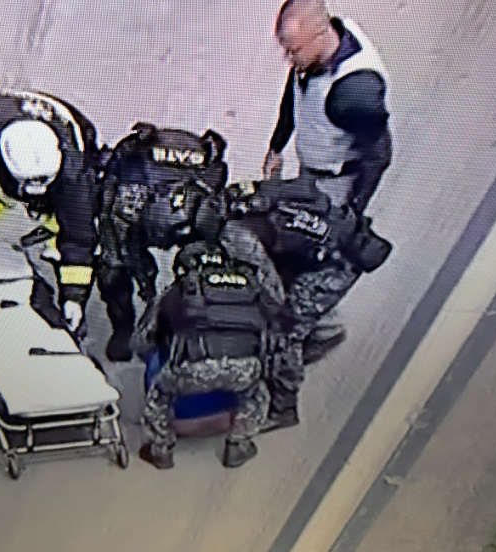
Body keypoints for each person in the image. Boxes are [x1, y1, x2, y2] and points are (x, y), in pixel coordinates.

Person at [223, 177, 392, 431]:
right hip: (303, 255)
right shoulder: (286, 199)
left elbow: (278, 289)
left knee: (286, 332)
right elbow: (301, 188)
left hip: (331, 268)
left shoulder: (250, 233)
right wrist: (254, 188)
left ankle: (284, 408)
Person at [0, 90, 107, 337]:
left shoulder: (73, 173)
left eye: (43, 182)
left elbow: (79, 237)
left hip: (65, 132)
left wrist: (73, 298)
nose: (37, 190)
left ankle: (51, 231)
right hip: (1, 135)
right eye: (30, 184)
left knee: (74, 211)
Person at [132, 241, 281, 469]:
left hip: (191, 369)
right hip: (243, 368)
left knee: (159, 396)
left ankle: (161, 451)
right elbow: (277, 326)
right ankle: (238, 446)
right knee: (257, 396)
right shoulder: (252, 287)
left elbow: (141, 341)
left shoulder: (177, 290)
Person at [98, 122, 228, 361]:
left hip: (186, 215)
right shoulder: (125, 197)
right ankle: (123, 329)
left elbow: (210, 246)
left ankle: (189, 331)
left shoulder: (204, 199)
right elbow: (116, 245)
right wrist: (146, 285)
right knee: (112, 269)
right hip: (139, 215)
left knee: (207, 268)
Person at [263, 0, 392, 216]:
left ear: (320, 35)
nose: (289, 59)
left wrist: (349, 213)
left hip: (335, 186)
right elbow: (293, 94)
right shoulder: (312, 55)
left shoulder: (353, 93)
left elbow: (378, 156)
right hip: (311, 169)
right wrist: (276, 147)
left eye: (294, 50)